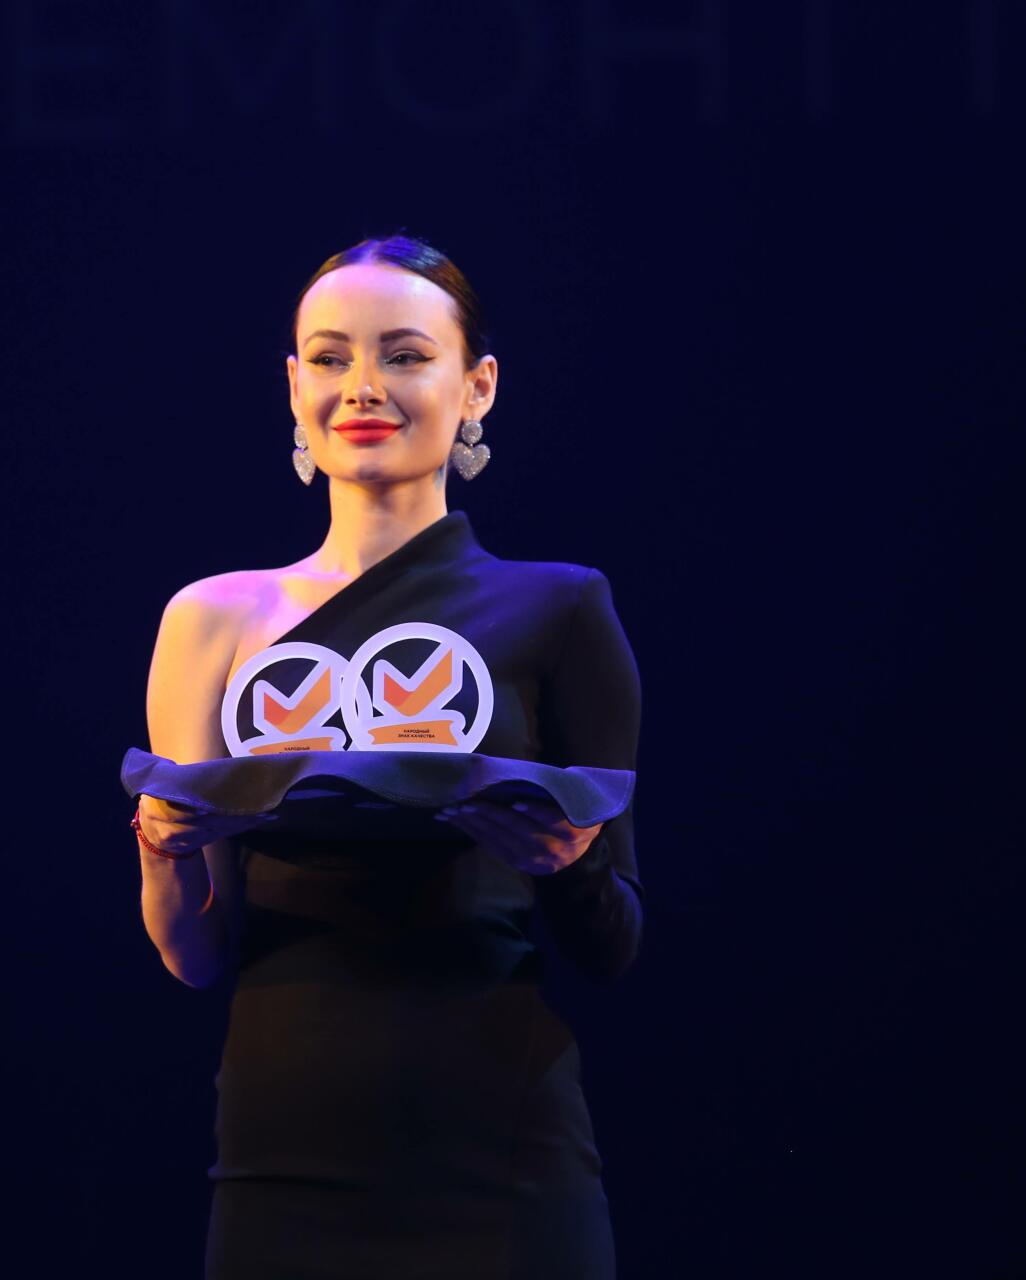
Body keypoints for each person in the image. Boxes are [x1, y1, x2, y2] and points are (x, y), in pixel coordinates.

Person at [130, 233, 644, 1279]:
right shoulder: (212, 617)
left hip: (505, 1162)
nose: (362, 385)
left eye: (404, 355)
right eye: (330, 358)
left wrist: (572, 860)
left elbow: (614, 945)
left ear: (476, 386)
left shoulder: (561, 605)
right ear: (294, 386)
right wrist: (162, 847)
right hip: (281, 1163)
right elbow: (195, 954)